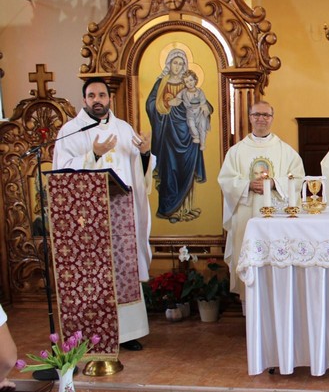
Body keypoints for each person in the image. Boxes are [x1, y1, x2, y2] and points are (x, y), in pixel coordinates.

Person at [53, 78, 155, 351]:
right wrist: (93, 155)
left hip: (121, 213)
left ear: (109, 98)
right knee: (92, 273)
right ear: (84, 99)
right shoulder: (70, 131)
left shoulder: (123, 129)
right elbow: (61, 170)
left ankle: (128, 333)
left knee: (123, 268)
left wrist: (145, 154)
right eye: (91, 95)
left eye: (101, 95)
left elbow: (138, 171)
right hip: (87, 217)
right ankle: (91, 332)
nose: (97, 99)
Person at [218, 101, 305, 302]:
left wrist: (274, 183)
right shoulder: (236, 152)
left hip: (278, 217)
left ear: (272, 118)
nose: (261, 119)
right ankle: (249, 310)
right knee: (249, 261)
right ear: (250, 118)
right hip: (246, 216)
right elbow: (226, 180)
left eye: (266, 115)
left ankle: (279, 304)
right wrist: (247, 185)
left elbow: (298, 178)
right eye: (257, 115)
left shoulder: (286, 151)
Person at [145, 48, 208, 222]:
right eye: (175, 62)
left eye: (181, 63)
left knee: (186, 170)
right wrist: (165, 104)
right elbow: (150, 104)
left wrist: (204, 108)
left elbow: (203, 103)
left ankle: (185, 209)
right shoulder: (161, 83)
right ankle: (168, 209)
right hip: (168, 135)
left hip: (188, 135)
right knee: (170, 170)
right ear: (169, 64)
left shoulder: (189, 83)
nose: (178, 66)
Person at [169, 70, 211, 151]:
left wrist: (203, 107)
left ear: (195, 80)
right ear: (184, 84)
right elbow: (178, 98)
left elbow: (203, 101)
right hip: (190, 113)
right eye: (187, 82)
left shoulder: (200, 91)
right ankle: (196, 136)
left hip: (200, 113)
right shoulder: (183, 92)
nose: (189, 83)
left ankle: (202, 144)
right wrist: (172, 102)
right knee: (191, 125)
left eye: (191, 80)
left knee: (202, 127)